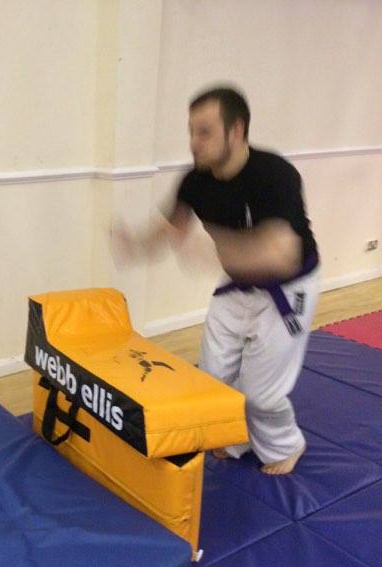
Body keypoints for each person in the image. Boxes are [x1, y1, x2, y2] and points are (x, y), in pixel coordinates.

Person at [112, 86, 319, 475]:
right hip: (237, 284)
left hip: (288, 289)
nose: (194, 142)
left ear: (236, 131)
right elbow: (170, 228)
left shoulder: (274, 175)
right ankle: (236, 437)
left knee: (261, 394)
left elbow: (283, 253)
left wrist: (216, 250)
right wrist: (135, 246)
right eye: (191, 131)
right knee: (210, 377)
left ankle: (286, 445)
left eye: (204, 132)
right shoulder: (196, 180)